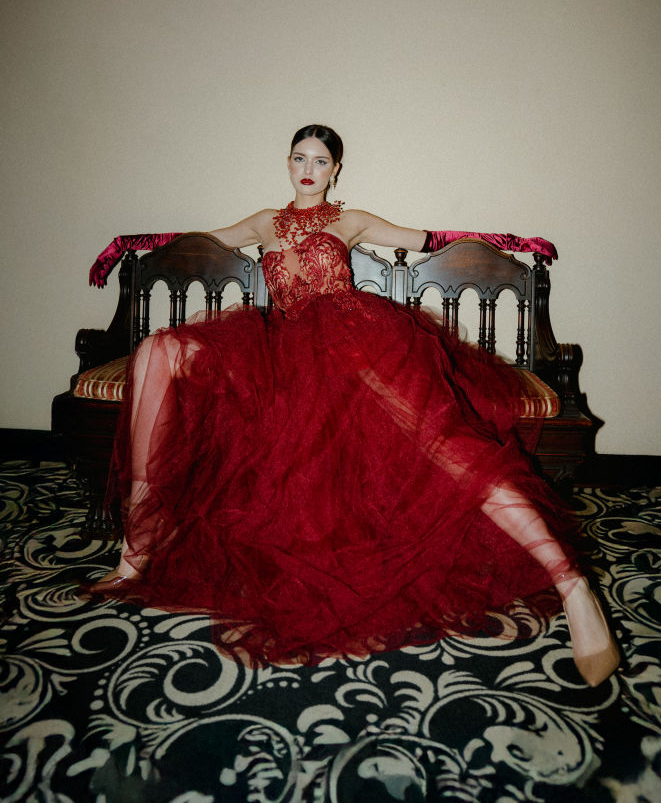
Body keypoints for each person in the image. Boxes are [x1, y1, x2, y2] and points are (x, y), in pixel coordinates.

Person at [81, 124, 620, 685]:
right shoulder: (264, 222)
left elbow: (431, 240)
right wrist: (127, 245)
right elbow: (194, 241)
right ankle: (134, 556)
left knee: (445, 445)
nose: (308, 169)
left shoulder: (351, 219)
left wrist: (514, 243)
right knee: (157, 350)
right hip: (278, 352)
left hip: (354, 341)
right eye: (299, 158)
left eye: (320, 161)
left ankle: (570, 582)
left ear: (335, 169)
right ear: (287, 162)